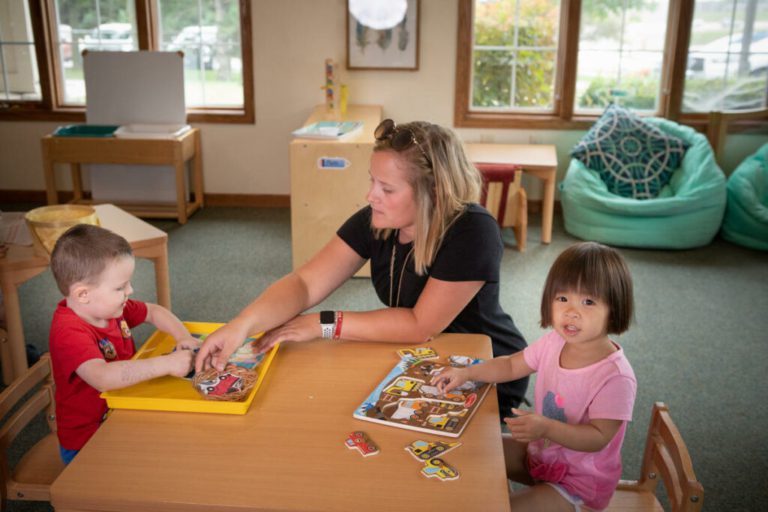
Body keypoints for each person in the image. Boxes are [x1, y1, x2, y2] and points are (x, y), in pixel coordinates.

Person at [196, 118, 528, 415]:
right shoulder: (378, 220)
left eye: (387, 188)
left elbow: (418, 325)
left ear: (435, 193)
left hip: (486, 366)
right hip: (425, 357)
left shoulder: (473, 230)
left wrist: (323, 323)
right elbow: (305, 283)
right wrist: (242, 324)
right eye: (372, 181)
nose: (371, 196)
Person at [431, 241, 636, 511]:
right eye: (562, 298)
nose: (571, 311)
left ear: (615, 309)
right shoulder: (554, 342)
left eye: (588, 301)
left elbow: (598, 438)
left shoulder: (616, 377)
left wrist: (547, 427)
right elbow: (511, 366)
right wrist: (468, 372)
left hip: (577, 484)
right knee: (466, 447)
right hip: (540, 455)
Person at [49, 224, 198, 464]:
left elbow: (154, 311)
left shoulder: (110, 308)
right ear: (83, 294)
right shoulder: (69, 331)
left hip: (124, 408)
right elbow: (103, 377)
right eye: (120, 287)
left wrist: (183, 337)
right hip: (88, 442)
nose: (130, 290)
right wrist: (167, 364)